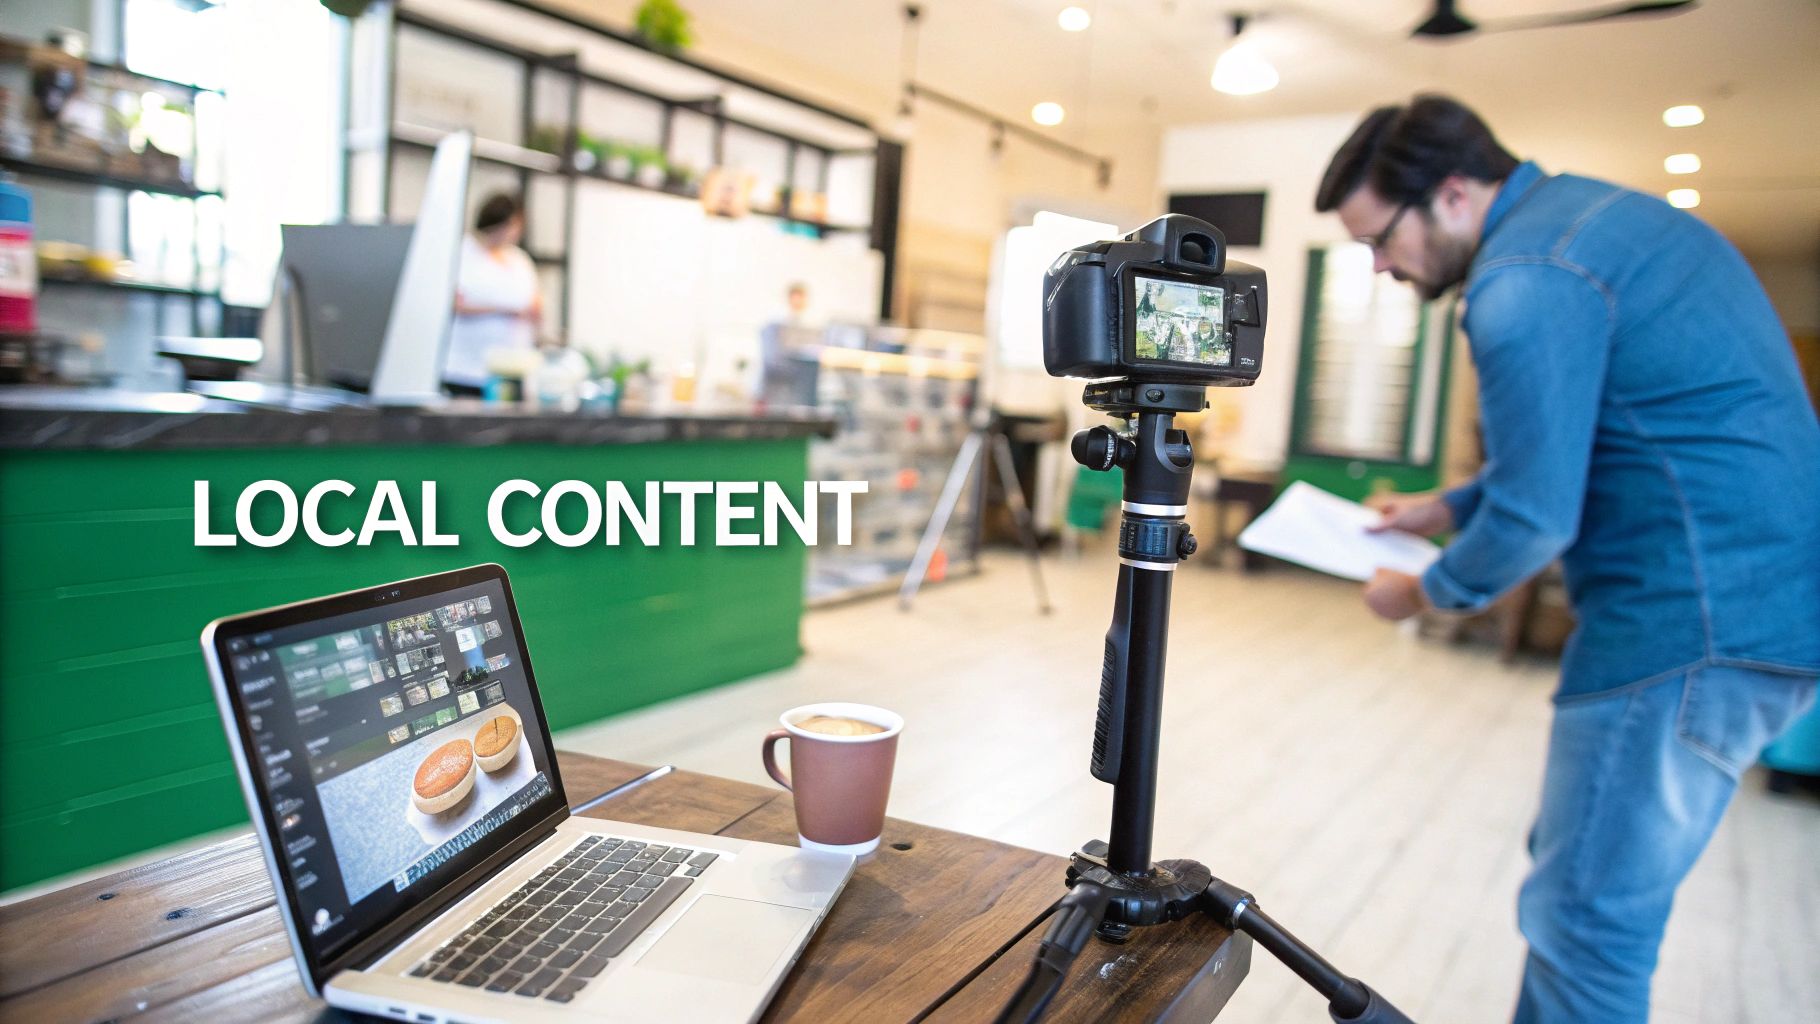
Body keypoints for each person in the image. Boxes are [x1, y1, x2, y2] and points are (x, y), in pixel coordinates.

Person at [1314, 95, 1820, 1023]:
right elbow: (1600, 439)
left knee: (1587, 919)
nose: (1380, 266)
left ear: (1454, 195)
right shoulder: (1596, 221)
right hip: (1759, 608)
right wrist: (1443, 506)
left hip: (1685, 619)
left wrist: (1426, 589)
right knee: (1585, 875)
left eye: (1380, 239)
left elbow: (1539, 515)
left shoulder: (1524, 281)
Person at [443, 192, 542, 396]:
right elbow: (453, 302)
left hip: (513, 367)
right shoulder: (462, 254)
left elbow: (535, 299)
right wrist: (504, 308)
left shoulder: (519, 260)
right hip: (467, 369)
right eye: (512, 225)